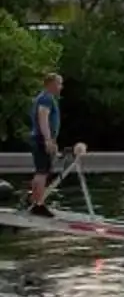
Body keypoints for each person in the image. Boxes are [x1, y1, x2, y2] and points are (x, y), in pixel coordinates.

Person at [25, 71, 62, 215]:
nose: (61, 87)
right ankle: (38, 204)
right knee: (43, 171)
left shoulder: (44, 98)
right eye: (59, 83)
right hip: (41, 138)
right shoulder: (46, 98)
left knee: (41, 170)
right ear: (51, 84)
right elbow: (43, 118)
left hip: (40, 138)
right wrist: (48, 140)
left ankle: (34, 199)